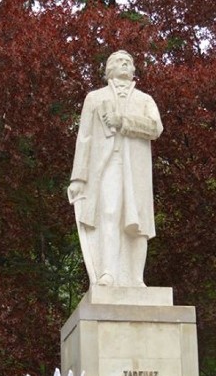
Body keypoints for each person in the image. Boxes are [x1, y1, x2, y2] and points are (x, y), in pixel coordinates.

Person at [68, 50, 163, 287]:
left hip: (136, 167)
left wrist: (123, 121)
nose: (125, 64)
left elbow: (155, 128)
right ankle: (108, 272)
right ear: (108, 69)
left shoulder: (144, 99)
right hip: (107, 165)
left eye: (129, 62)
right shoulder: (95, 98)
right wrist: (78, 178)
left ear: (133, 71)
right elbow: (85, 139)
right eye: (119, 61)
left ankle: (136, 278)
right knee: (108, 214)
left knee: (138, 221)